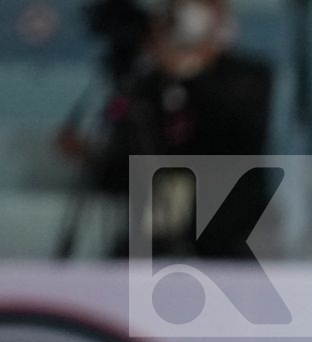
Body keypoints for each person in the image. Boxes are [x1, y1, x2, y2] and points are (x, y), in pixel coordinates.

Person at [82, 0, 275, 258]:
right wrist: (93, 156)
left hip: (230, 239)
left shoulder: (248, 77)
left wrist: (187, 66)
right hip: (156, 239)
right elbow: (127, 170)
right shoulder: (145, 87)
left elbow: (236, 132)